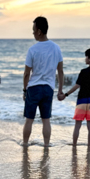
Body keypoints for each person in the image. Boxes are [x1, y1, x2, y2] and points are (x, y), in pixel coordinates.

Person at [22, 17, 64, 147]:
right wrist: (60, 90)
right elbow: (60, 71)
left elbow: (27, 73)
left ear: (39, 31)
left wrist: (25, 90)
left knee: (29, 120)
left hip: (34, 88)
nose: (33, 33)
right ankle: (46, 145)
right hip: (48, 88)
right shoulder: (56, 48)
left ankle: (25, 144)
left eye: (34, 30)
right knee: (46, 120)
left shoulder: (33, 49)